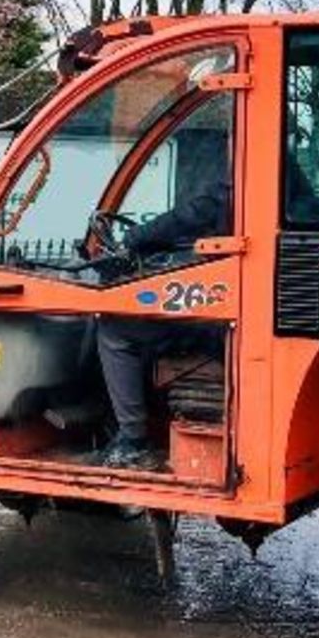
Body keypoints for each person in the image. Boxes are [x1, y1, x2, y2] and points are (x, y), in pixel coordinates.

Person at [91, 144, 233, 470]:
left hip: (222, 314)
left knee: (115, 327)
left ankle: (133, 438)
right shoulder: (285, 167)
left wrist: (136, 237)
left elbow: (192, 214)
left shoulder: (244, 167)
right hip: (242, 301)